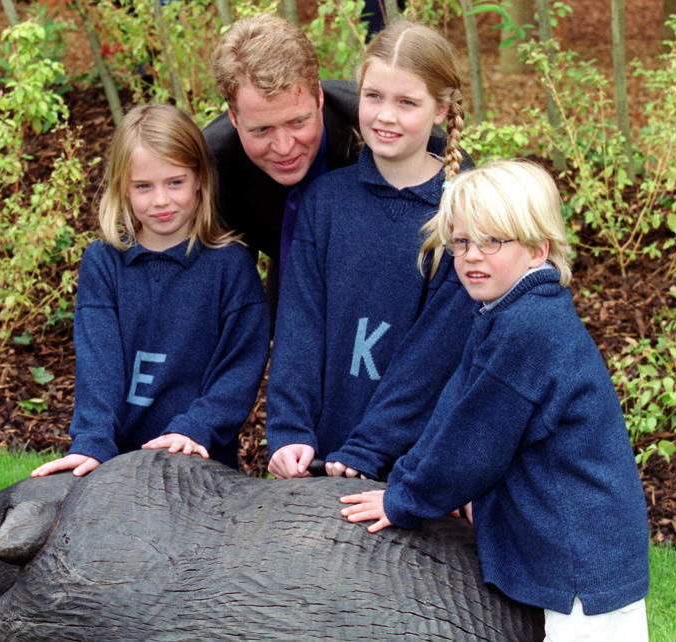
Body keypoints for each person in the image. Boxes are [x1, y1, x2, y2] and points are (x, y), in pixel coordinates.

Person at [339, 159, 650, 641]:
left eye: (492, 241)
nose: (471, 256)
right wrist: (414, 477)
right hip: (571, 537)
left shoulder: (530, 328)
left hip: (583, 550)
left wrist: (405, 500)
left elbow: (473, 443)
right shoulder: (506, 312)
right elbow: (457, 406)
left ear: (537, 248)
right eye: (461, 242)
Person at [265, 20, 475, 481]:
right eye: (374, 96)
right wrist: (288, 431)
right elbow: (300, 325)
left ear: (441, 109)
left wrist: (371, 446)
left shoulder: (466, 212)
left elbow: (436, 354)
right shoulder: (325, 202)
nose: (385, 115)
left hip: (417, 466)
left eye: (407, 102)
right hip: (320, 458)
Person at [31, 103, 269, 479]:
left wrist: (195, 428)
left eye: (175, 182)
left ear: (200, 179)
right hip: (118, 464)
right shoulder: (104, 262)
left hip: (199, 460)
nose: (160, 200)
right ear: (122, 189)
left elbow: (238, 371)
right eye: (143, 186)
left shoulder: (231, 267)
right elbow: (98, 365)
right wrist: (92, 441)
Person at [203, 14, 456, 311]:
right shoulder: (215, 163)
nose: (284, 147)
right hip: (288, 289)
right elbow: (223, 285)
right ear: (234, 118)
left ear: (319, 98)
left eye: (298, 122)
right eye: (261, 130)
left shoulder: (373, 132)